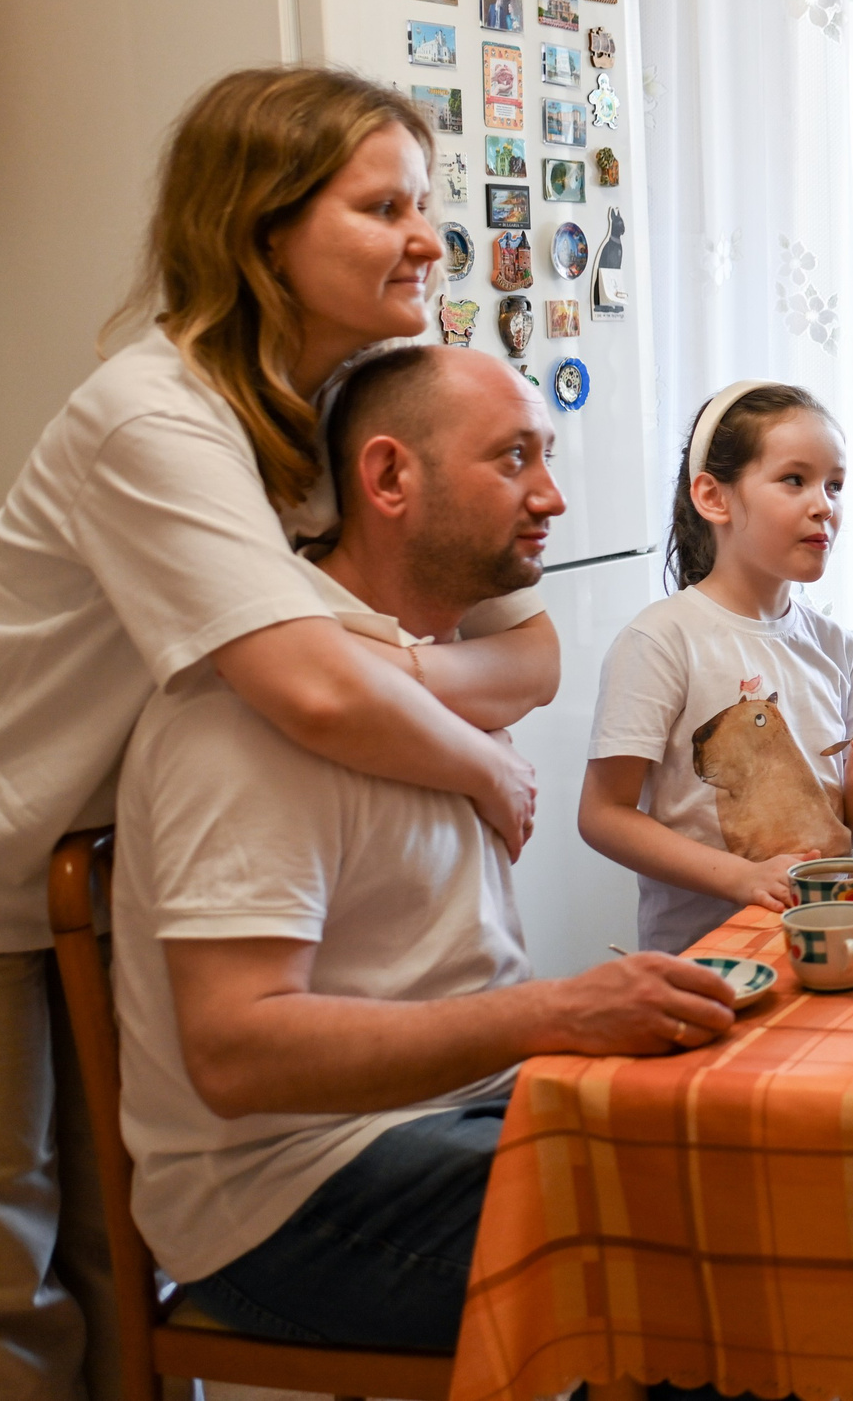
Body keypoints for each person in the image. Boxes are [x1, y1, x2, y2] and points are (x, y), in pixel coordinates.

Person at [0, 67, 556, 1400]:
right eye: (380, 204)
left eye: (429, 204)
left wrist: (401, 671)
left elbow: (525, 648)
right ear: (261, 230)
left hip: (112, 844)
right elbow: (316, 693)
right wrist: (479, 760)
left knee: (113, 1262)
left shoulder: (318, 421)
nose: (427, 237)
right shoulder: (153, 419)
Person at [111, 344, 735, 1352]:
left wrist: (562, 1024)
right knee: (709, 1266)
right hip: (290, 1193)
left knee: (740, 1149)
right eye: (513, 459)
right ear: (390, 477)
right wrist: (556, 1011)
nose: (554, 496)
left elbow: (534, 660)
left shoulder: (436, 676)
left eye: (548, 455)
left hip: (454, 1114)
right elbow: (234, 1051)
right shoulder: (248, 717)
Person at [580, 381, 853, 952]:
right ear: (714, 498)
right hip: (709, 960)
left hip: (828, 939)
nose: (823, 505)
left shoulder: (834, 645)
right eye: (794, 479)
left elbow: (852, 830)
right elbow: (603, 816)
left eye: (835, 485)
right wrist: (744, 878)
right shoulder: (661, 640)